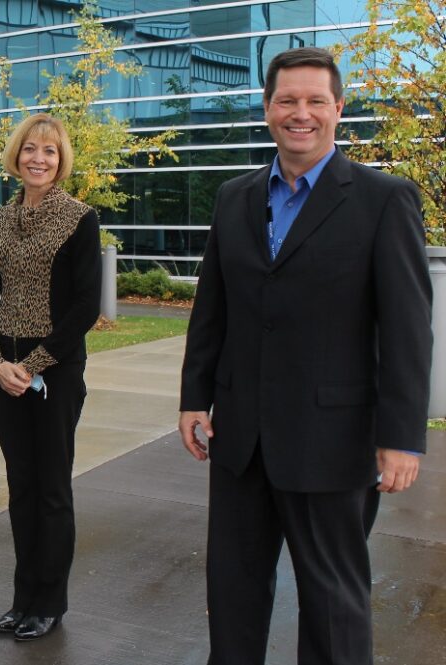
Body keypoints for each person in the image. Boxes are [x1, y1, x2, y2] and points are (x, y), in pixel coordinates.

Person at [178, 47, 432, 665]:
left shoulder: (384, 199)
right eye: (287, 100)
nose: (301, 113)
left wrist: (402, 437)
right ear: (267, 109)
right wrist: (194, 397)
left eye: (316, 101)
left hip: (333, 440)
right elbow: (214, 309)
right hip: (240, 439)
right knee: (233, 592)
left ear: (338, 110)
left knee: (332, 603)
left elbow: (408, 329)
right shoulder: (233, 198)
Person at [0, 113, 102, 641]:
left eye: (49, 152)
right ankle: (22, 597)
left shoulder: (78, 217)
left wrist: (32, 365)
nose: (39, 159)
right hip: (6, 370)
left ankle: (49, 601)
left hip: (55, 370)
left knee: (51, 488)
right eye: (30, 149)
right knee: (20, 486)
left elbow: (85, 305)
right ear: (16, 155)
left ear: (61, 159)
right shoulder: (0, 218)